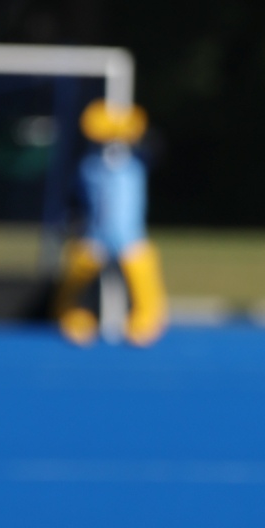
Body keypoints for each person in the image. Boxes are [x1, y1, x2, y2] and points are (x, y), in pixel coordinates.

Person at [49, 99, 169, 347]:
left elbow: (156, 146)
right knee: (79, 271)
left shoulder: (137, 163)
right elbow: (74, 200)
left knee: (141, 268)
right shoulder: (87, 167)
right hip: (95, 235)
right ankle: (74, 315)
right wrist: (70, 221)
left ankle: (146, 319)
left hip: (130, 236)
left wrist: (128, 128)